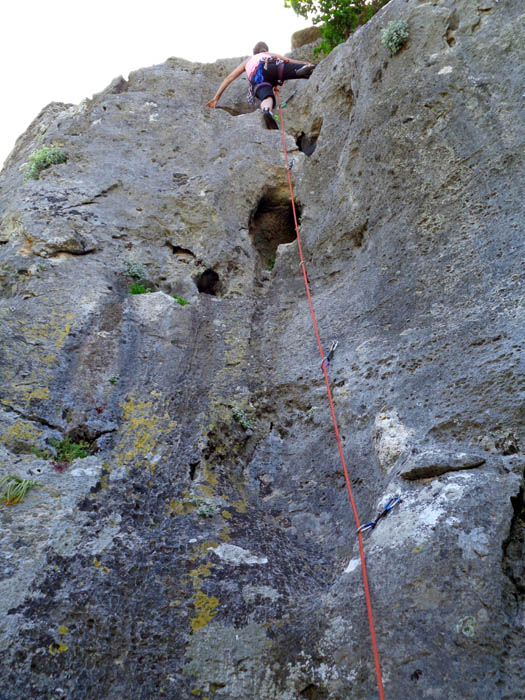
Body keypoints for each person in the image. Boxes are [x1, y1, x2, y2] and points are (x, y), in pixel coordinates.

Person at [207, 41, 315, 130]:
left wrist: (216, 98)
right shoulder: (268, 54)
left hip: (257, 79)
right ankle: (299, 71)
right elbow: (289, 60)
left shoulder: (247, 61)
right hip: (272, 66)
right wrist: (305, 63)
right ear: (264, 50)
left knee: (267, 97)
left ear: (255, 52)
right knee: (286, 68)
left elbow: (229, 77)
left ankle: (267, 110)